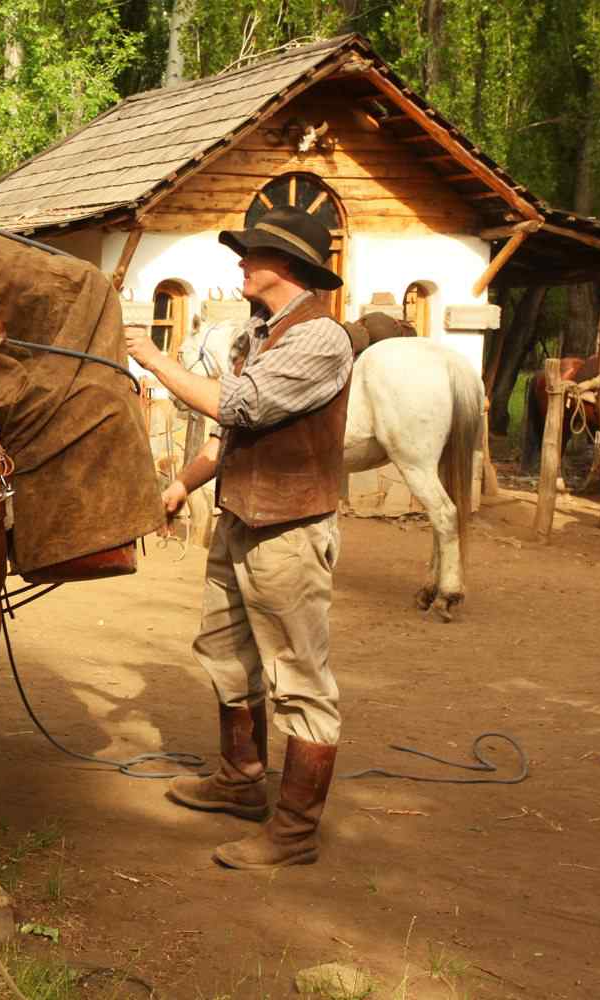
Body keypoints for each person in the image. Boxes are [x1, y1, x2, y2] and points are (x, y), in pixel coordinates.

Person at [125, 205, 354, 870]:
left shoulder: (320, 340)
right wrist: (183, 486)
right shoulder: (261, 335)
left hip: (288, 532)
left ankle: (294, 832)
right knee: (224, 649)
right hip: (241, 519)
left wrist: (151, 358)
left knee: (299, 679)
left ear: (284, 266)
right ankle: (241, 779)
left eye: (250, 254)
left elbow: (237, 406)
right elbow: (232, 439)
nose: (240, 263)